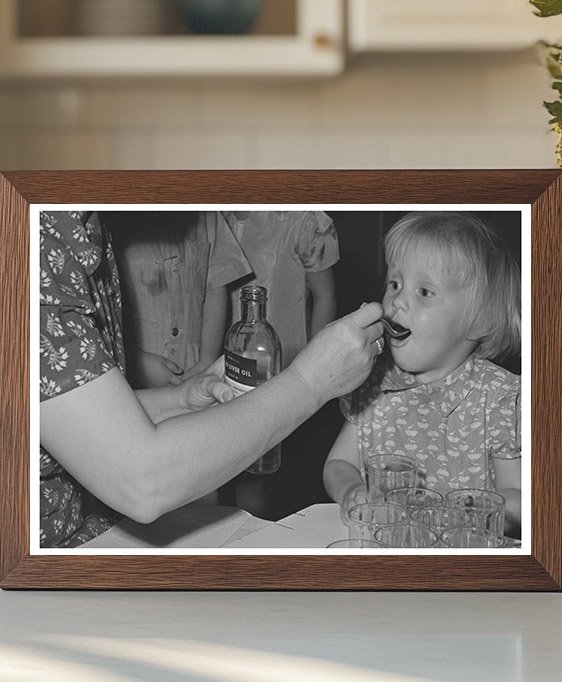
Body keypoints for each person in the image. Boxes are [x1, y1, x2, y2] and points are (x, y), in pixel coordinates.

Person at [38, 209, 385, 548]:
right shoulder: (43, 240)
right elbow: (142, 481)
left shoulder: (85, 226)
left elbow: (79, 420)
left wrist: (179, 400)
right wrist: (311, 383)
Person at [323, 212, 522, 538]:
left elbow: (518, 497)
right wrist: (351, 490)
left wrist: (469, 514)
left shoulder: (498, 398)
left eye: (424, 292)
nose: (398, 300)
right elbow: (338, 464)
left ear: (478, 321)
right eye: (395, 284)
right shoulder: (375, 384)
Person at [112, 211, 250, 389]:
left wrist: (206, 361)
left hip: (194, 367)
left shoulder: (207, 214)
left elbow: (215, 285)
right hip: (130, 376)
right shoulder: (107, 216)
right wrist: (135, 361)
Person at [223, 211, 339, 366]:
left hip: (285, 357)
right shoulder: (211, 218)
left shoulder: (301, 219)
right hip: (226, 356)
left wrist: (315, 363)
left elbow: (325, 297)